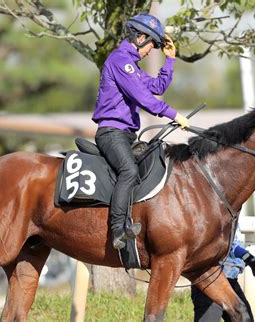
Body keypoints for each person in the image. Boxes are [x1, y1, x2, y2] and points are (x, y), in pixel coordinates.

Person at [92, 13, 190, 250]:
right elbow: (145, 99)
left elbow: (157, 87)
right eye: (151, 47)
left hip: (126, 135)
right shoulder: (120, 62)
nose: (150, 52)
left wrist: (170, 60)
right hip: (111, 133)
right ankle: (118, 230)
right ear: (140, 37)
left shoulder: (132, 68)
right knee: (129, 170)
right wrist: (173, 114)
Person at [191, 238, 255, 322]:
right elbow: (224, 242)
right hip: (209, 281)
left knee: (244, 318)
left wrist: (243, 262)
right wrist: (246, 257)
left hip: (229, 281)